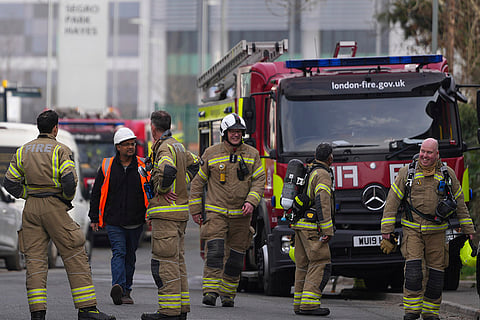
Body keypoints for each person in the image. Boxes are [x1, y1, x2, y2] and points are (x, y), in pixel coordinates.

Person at [3, 110, 115, 320]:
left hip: (31, 208)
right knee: (74, 252)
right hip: (54, 206)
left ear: (39, 127)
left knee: (35, 261)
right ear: (56, 128)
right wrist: (65, 197)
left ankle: (37, 314)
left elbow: (9, 182)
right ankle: (87, 310)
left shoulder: (23, 151)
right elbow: (69, 181)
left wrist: (27, 193)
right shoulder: (61, 150)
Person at [381, 138, 476, 320]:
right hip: (412, 230)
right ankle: (411, 310)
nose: (424, 155)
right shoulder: (406, 173)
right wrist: (387, 229)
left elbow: (460, 204)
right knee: (414, 270)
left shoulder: (447, 174)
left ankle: (431, 312)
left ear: (436, 154)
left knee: (436, 273)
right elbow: (391, 202)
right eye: (423, 151)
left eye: (429, 152)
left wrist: (468, 230)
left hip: (437, 232)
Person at [189, 113, 266, 308]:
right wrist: (196, 210)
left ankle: (228, 294)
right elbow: (198, 183)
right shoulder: (211, 153)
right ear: (225, 132)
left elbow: (259, 181)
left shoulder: (252, 154)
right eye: (232, 131)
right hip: (216, 214)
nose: (236, 135)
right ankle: (210, 292)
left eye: (239, 132)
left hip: (242, 215)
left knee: (235, 257)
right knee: (214, 251)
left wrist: (251, 202)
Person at [141, 110, 200, 320]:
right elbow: (196, 162)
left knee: (164, 263)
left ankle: (168, 312)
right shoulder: (178, 145)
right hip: (180, 213)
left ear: (153, 128)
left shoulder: (164, 148)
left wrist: (162, 189)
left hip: (166, 214)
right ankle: (181, 309)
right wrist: (183, 182)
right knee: (177, 262)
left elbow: (167, 170)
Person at [89, 127, 149, 305]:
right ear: (118, 147)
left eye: (132, 144)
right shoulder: (107, 166)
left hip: (136, 221)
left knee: (130, 256)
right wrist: (94, 218)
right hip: (114, 221)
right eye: (126, 145)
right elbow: (96, 194)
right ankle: (118, 287)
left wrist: (151, 213)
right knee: (119, 252)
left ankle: (127, 290)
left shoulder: (142, 166)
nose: (130, 147)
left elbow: (150, 191)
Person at [291, 143, 335, 316]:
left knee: (302, 265)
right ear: (330, 158)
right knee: (320, 262)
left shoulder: (310, 170)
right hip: (312, 227)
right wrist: (327, 230)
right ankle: (309, 304)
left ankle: (299, 303)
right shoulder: (323, 174)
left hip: (300, 225)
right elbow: (322, 201)